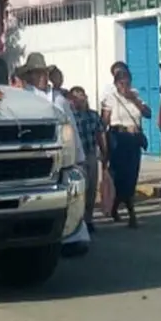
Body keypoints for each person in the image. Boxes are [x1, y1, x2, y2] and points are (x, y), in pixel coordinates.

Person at [17, 53, 90, 256]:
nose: (41, 77)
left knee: (70, 195)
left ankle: (74, 237)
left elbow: (72, 128)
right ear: (30, 76)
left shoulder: (59, 98)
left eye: (43, 73)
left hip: (64, 153)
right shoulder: (25, 97)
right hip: (39, 155)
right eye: (36, 73)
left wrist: (80, 156)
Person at [100, 65, 151, 227]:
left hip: (134, 139)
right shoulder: (110, 97)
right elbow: (105, 122)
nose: (125, 86)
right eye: (121, 83)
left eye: (127, 83)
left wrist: (133, 99)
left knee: (132, 176)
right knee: (121, 177)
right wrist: (103, 145)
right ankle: (130, 212)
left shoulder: (135, 95)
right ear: (116, 84)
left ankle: (119, 208)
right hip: (118, 139)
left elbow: (148, 113)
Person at [69, 86, 107, 233]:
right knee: (79, 190)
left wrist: (104, 152)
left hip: (91, 154)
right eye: (76, 96)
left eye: (81, 95)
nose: (80, 99)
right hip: (77, 157)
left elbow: (100, 134)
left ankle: (89, 219)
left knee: (91, 189)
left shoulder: (93, 115)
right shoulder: (71, 116)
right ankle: (77, 221)